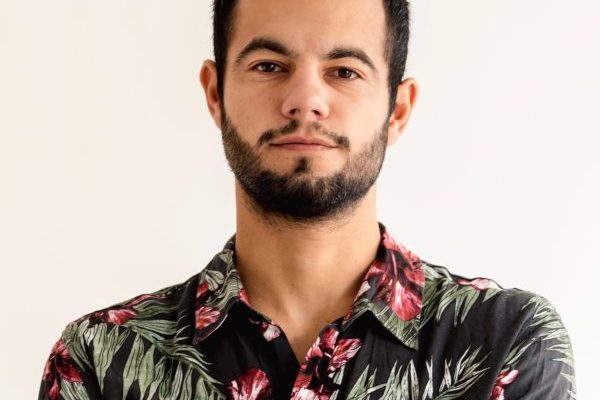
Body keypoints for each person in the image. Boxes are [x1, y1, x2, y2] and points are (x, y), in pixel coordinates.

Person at [39, 1, 576, 399]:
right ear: (215, 93)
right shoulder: (101, 358)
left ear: (397, 110)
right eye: (269, 65)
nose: (305, 100)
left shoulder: (505, 341)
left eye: (344, 71)